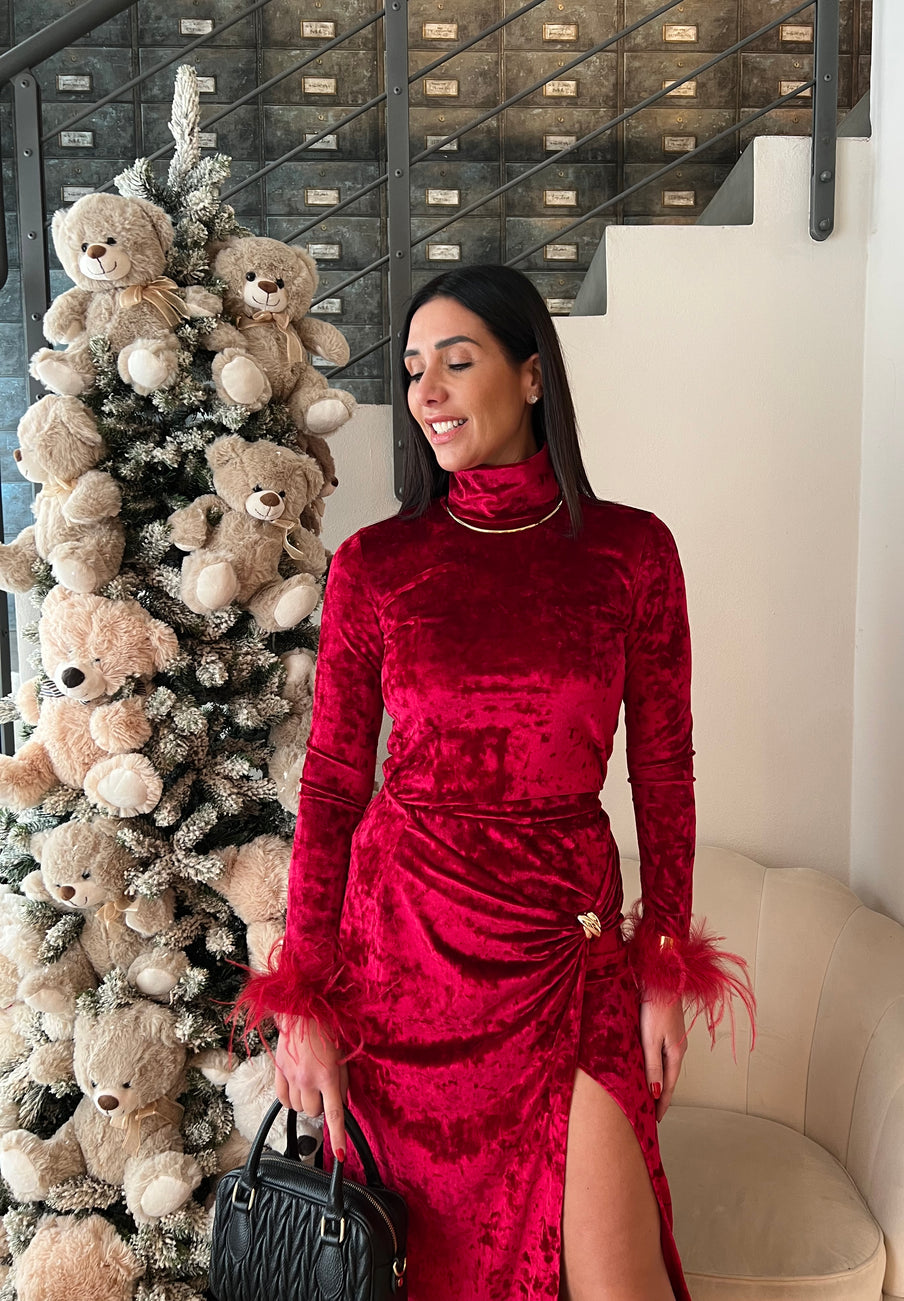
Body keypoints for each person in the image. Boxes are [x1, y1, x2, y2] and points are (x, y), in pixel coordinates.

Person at [236, 264, 754, 1300]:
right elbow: (333, 785)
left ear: (530, 375)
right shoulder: (377, 564)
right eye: (412, 368)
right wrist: (305, 1001)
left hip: (563, 953)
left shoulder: (632, 553)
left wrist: (663, 960)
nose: (425, 391)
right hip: (402, 966)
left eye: (455, 361)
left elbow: (663, 769)